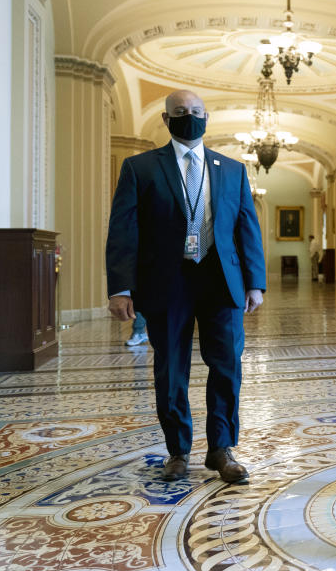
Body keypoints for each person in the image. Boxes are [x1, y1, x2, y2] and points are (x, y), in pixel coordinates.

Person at [105, 89, 266, 484]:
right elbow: (124, 230)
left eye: (195, 111)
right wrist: (120, 287)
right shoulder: (139, 167)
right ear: (166, 119)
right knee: (170, 368)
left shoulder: (231, 168)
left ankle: (221, 449)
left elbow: (247, 226)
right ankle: (177, 451)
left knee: (227, 366)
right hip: (167, 280)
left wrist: (255, 281)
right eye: (180, 112)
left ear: (207, 117)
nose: (188, 116)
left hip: (221, 279)